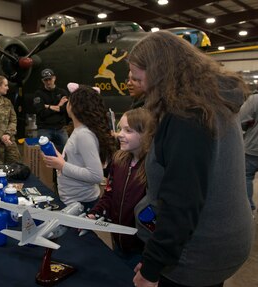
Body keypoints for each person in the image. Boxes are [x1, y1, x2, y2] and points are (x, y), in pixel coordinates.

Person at [128, 31, 254, 287]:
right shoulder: (210, 100)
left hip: (196, 252)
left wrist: (153, 267)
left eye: (138, 77)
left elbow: (182, 201)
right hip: (223, 240)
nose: (136, 83)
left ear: (161, 72)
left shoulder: (188, 117)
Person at [87, 108, 155, 269]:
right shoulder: (118, 161)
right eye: (120, 129)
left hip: (141, 251)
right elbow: (109, 195)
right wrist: (95, 213)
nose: (119, 135)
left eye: (128, 130)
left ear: (145, 134)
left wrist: (151, 257)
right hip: (118, 243)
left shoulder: (153, 169)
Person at [43, 84, 115, 210]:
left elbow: (96, 175)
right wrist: (60, 158)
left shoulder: (83, 135)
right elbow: (78, 161)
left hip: (81, 203)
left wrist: (62, 166)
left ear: (75, 106)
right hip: (75, 201)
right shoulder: (80, 131)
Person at [33, 68, 69, 152]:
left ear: (54, 78)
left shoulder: (62, 92)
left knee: (67, 152)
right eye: (46, 80)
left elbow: (65, 109)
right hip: (45, 129)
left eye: (50, 79)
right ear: (42, 81)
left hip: (60, 128)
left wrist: (47, 106)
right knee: (44, 153)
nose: (48, 82)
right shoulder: (38, 94)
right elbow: (41, 112)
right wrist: (58, 106)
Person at [239, 93, 258, 211]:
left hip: (253, 147)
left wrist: (249, 125)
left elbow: (241, 120)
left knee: (246, 176)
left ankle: (248, 209)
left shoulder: (254, 99)